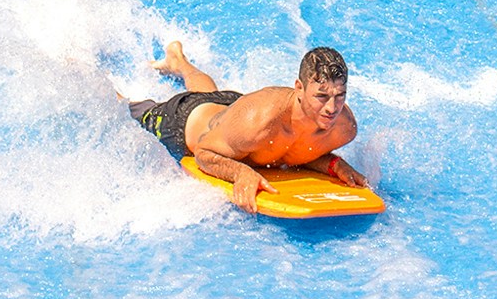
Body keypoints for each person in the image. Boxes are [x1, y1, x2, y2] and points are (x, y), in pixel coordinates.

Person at [129, 41, 366, 213]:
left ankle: (178, 62)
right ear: (299, 88)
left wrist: (334, 164)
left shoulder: (343, 127)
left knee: (211, 96)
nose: (331, 108)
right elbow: (203, 152)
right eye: (322, 96)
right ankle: (108, 89)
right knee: (131, 111)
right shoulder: (258, 124)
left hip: (230, 111)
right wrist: (240, 172)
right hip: (184, 120)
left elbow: (296, 151)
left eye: (340, 95)